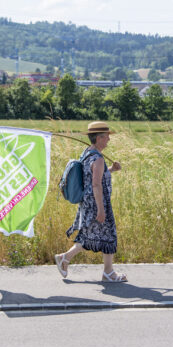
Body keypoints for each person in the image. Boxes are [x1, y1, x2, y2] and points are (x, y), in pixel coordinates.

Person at [55, 121, 126, 282]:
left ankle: (66, 259)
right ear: (99, 138)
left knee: (92, 235)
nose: (109, 139)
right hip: (97, 203)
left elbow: (93, 176)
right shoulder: (98, 159)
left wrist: (112, 170)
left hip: (87, 202)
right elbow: (96, 184)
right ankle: (107, 273)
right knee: (108, 235)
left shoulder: (87, 153)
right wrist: (101, 210)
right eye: (107, 136)